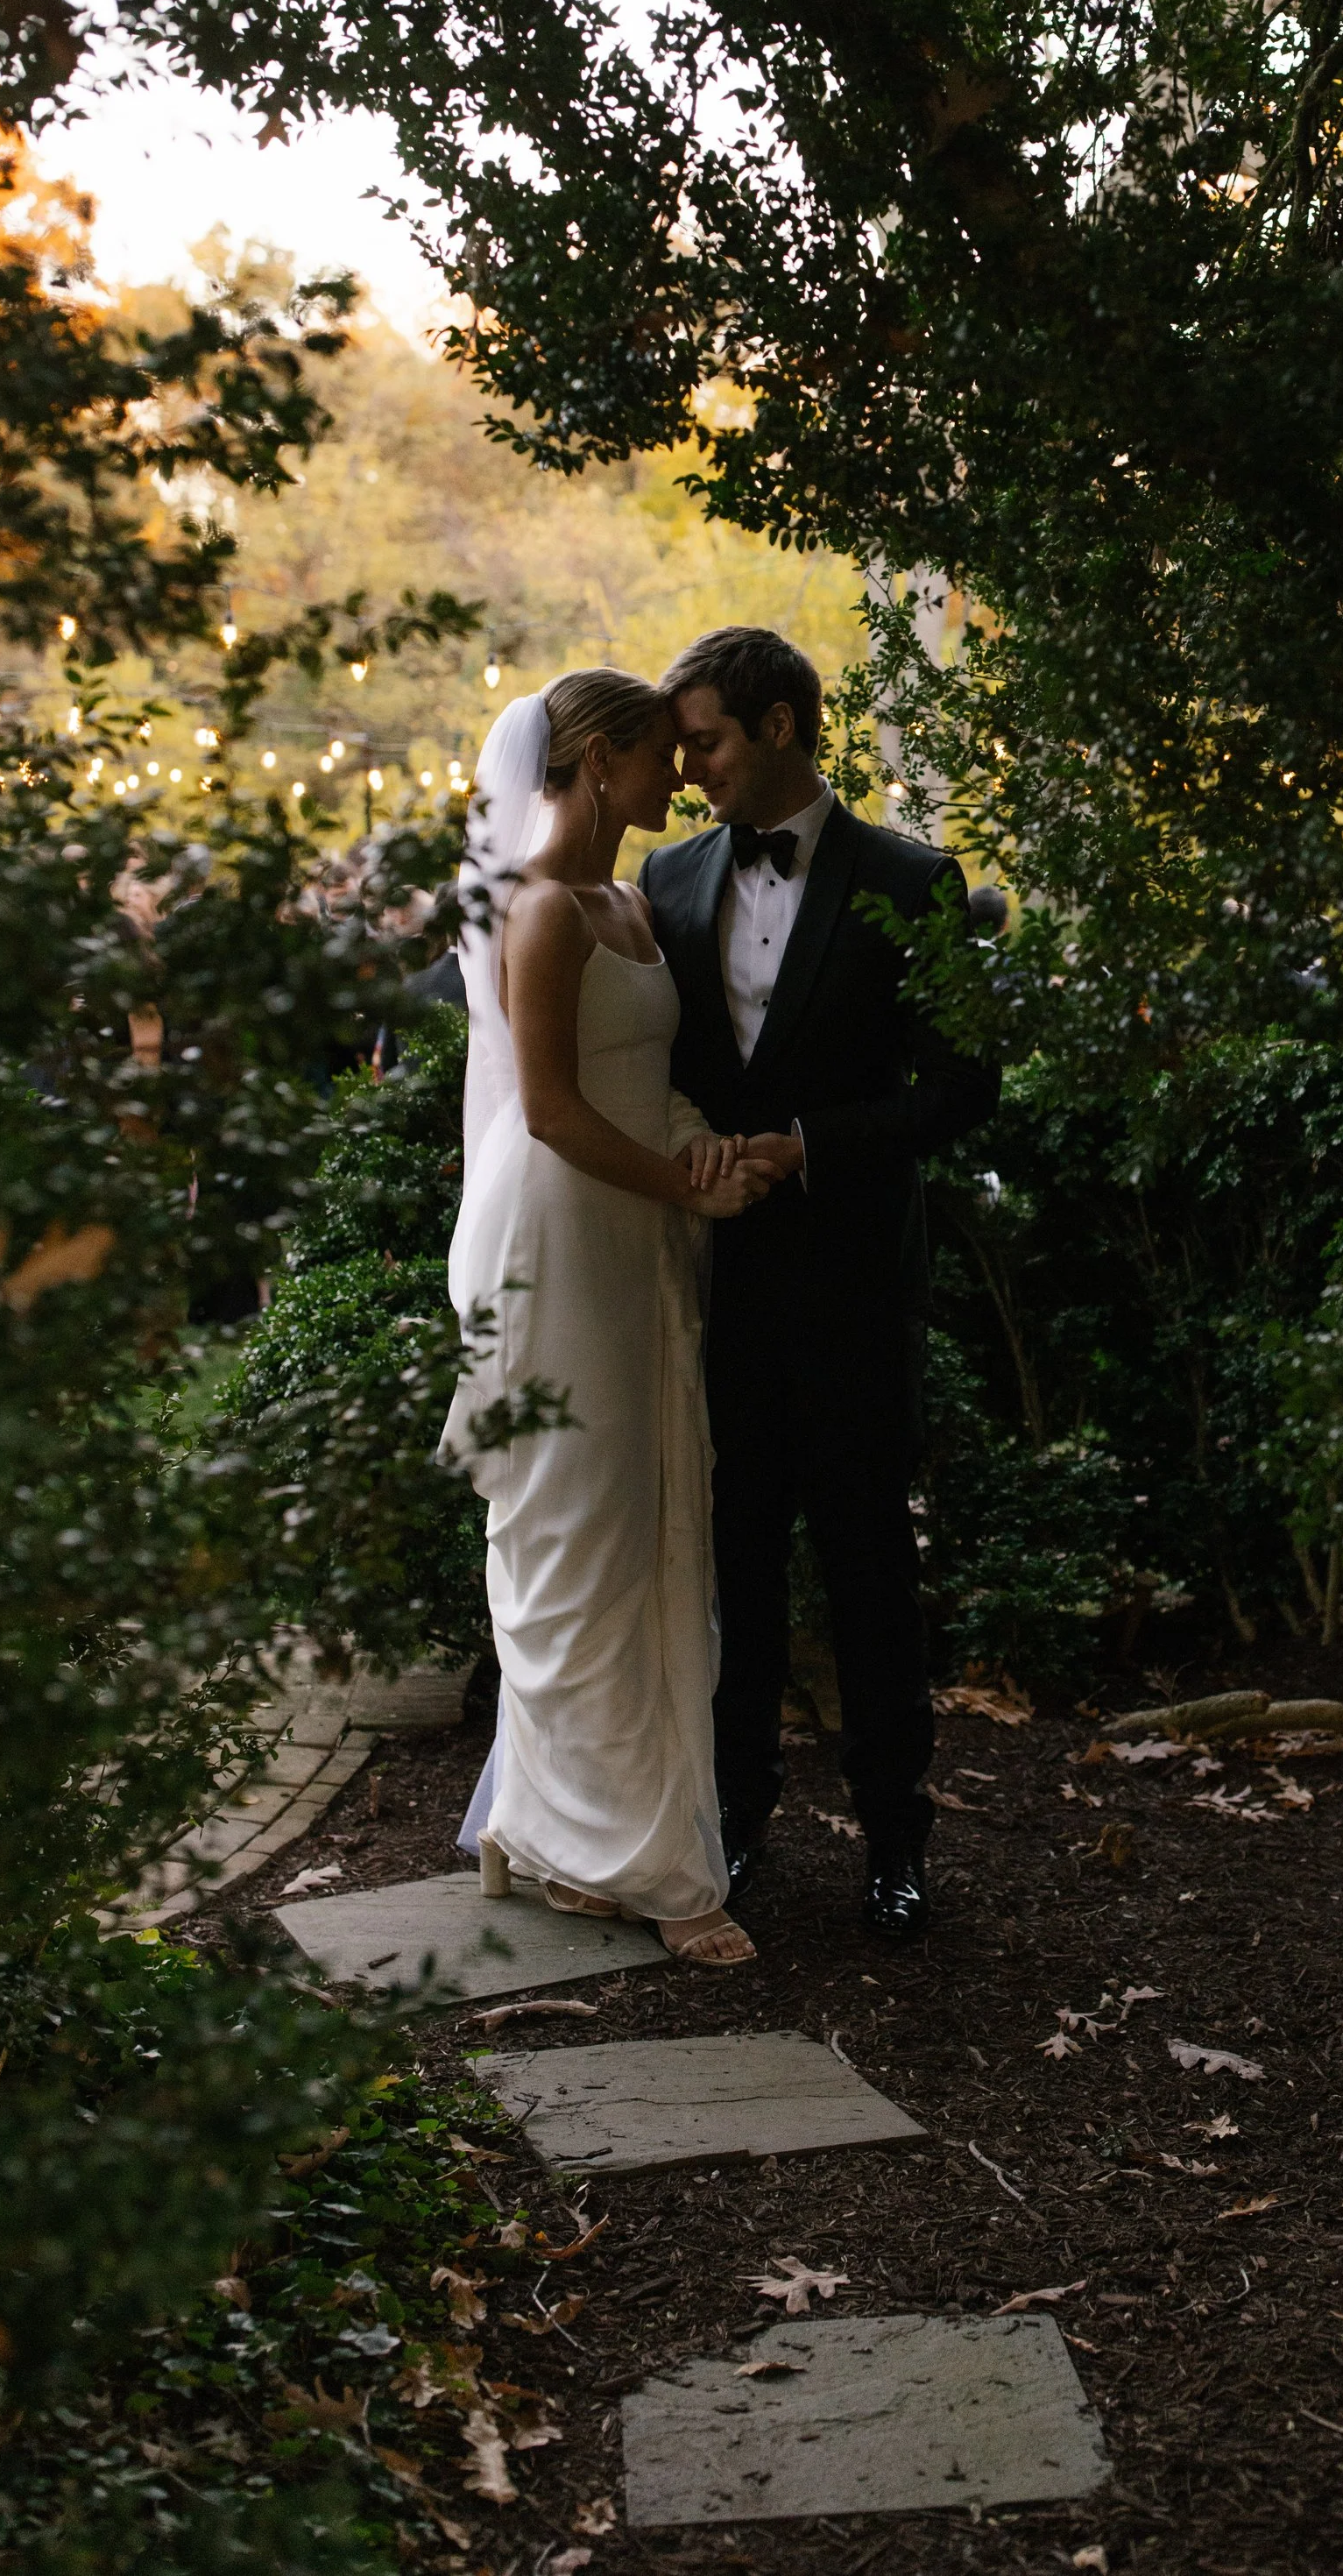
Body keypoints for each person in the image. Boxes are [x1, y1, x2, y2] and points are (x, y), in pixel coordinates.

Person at [641, 626, 1000, 1942]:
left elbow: (966, 1087)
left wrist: (809, 1151)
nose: (691, 773)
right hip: (711, 1291)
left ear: (781, 727)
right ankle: (733, 1831)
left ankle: (898, 1848)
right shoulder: (668, 880)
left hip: (853, 1291)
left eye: (709, 742)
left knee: (868, 1578)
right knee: (733, 1569)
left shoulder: (915, 880)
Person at [442, 670, 776, 1968]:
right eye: (655, 759)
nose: (677, 778)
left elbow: (641, 1086)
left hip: (636, 1226)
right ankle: (625, 1857)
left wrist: (711, 1156)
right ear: (591, 765)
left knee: (644, 1524)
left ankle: (554, 1830)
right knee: (576, 1532)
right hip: (565, 1235)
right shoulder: (537, 913)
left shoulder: (631, 902)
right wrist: (683, 1189)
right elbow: (550, 1112)